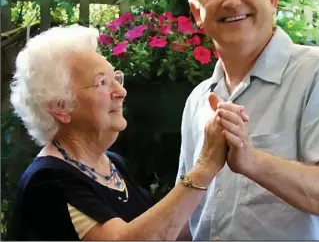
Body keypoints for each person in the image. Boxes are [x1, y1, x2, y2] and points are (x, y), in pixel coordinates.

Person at [176, 0, 319, 240]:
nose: (231, 1)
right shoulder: (199, 99)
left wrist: (254, 162)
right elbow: (187, 212)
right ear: (197, 14)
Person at [6, 25, 247, 240]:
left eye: (116, 78)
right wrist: (204, 167)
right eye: (102, 82)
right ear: (61, 106)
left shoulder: (112, 166)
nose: (120, 91)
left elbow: (165, 231)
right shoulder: (49, 180)